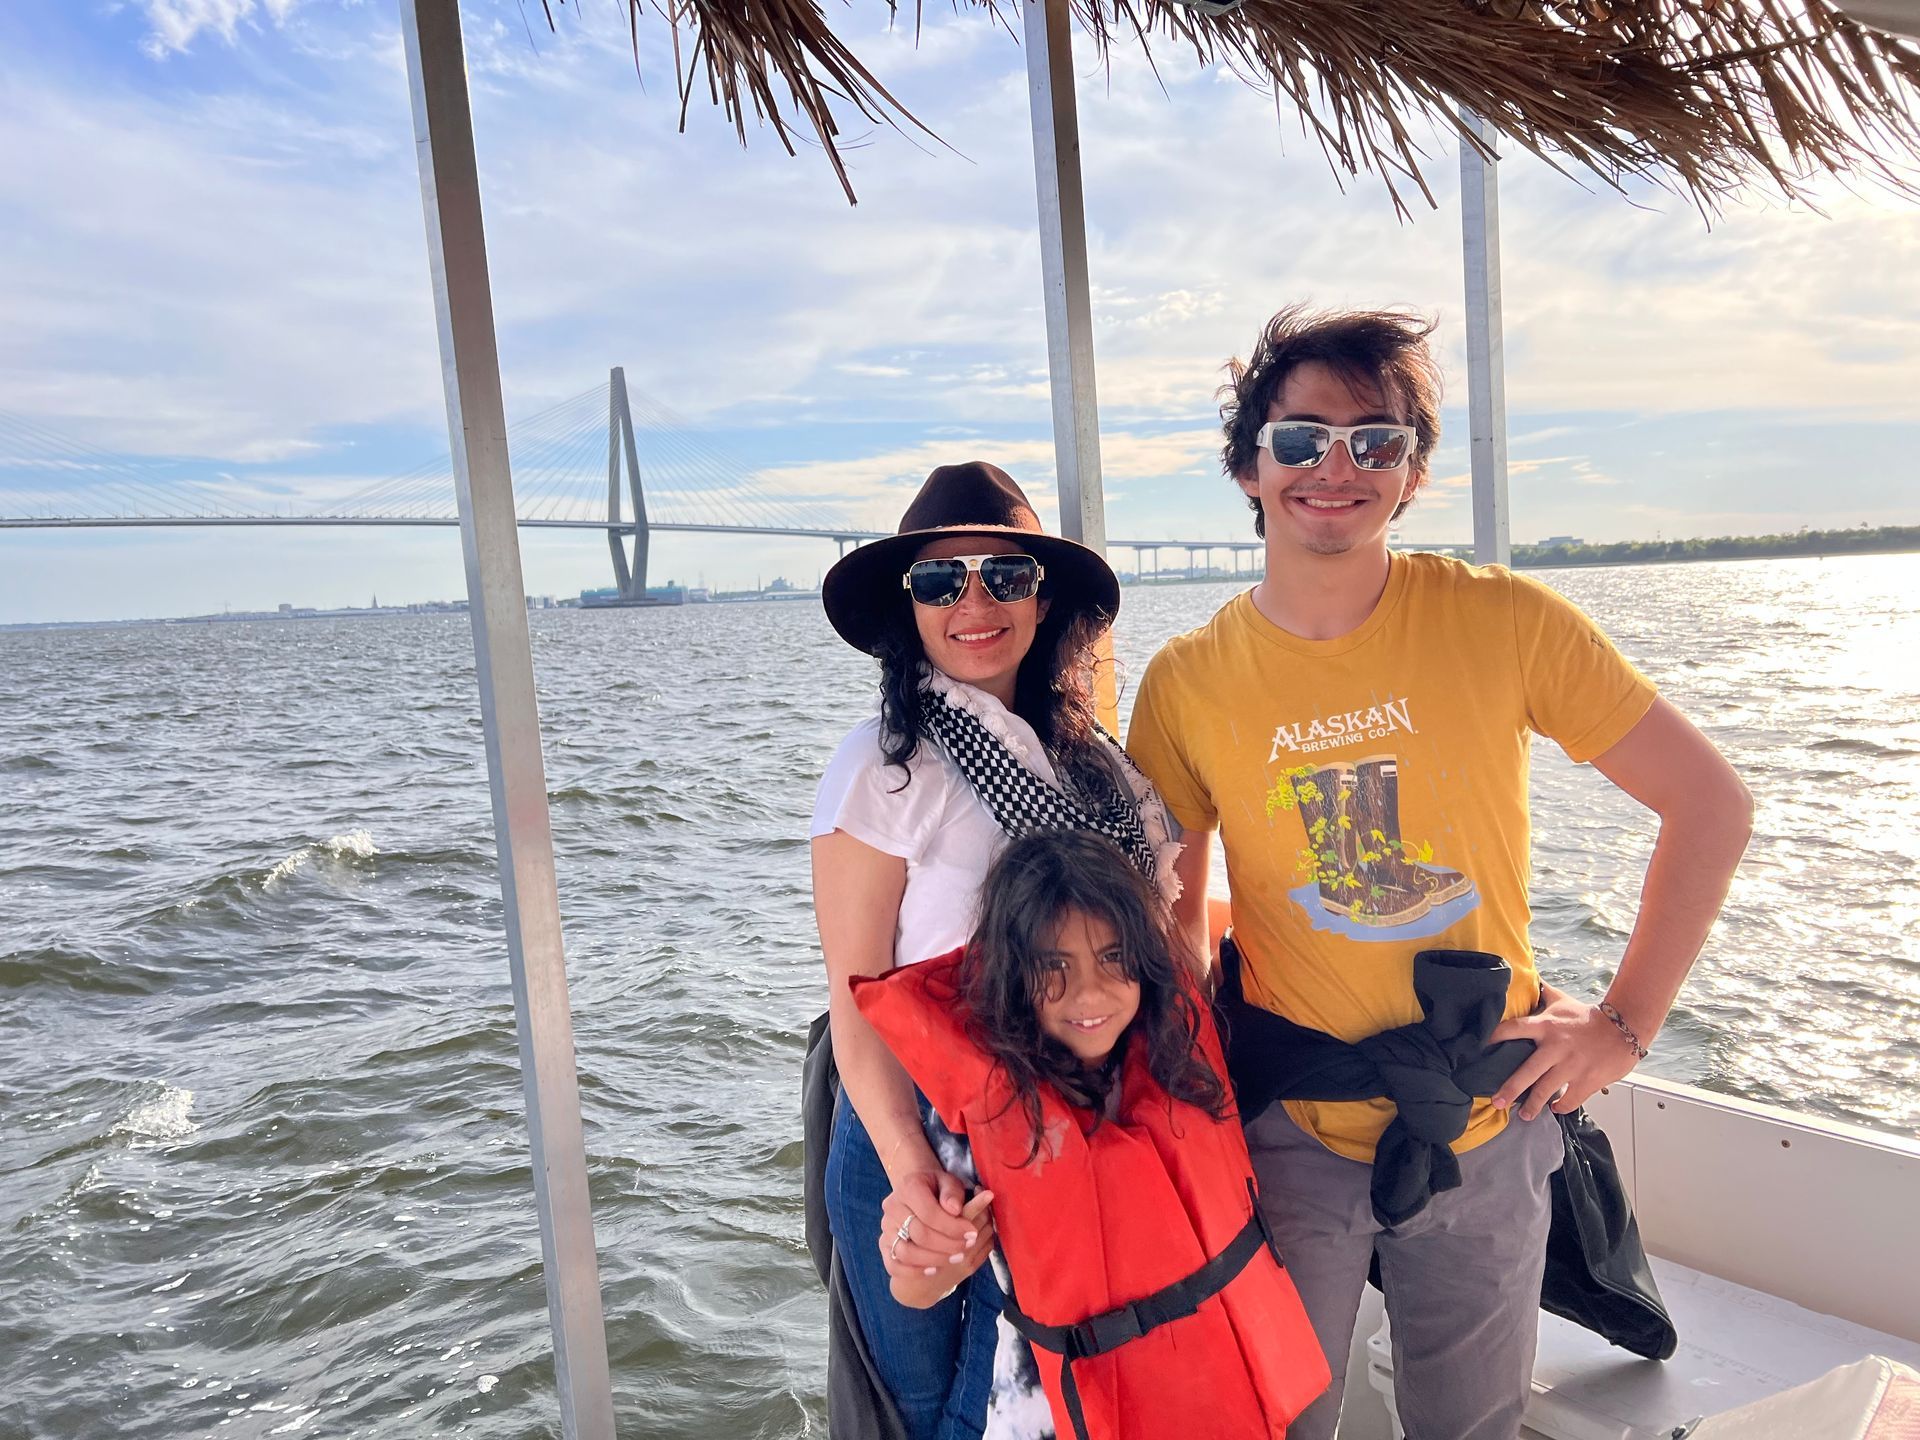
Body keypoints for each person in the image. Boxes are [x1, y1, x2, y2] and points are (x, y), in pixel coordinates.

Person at [1124, 305, 1753, 1440]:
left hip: (1489, 1117)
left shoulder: (1504, 619)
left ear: (1412, 473)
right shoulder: (1186, 680)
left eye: (1378, 441)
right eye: (1302, 438)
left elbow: (1711, 804)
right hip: (1291, 1134)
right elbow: (1171, 913)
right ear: (1249, 464)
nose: (1338, 469)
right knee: (1278, 1426)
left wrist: (1619, 1028)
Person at [809, 461, 1180, 1440]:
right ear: (909, 607)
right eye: (941, 581)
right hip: (920, 1131)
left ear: (1042, 596)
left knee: (1048, 1397)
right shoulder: (881, 771)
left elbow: (1161, 939)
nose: (974, 602)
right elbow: (856, 1006)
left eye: (1004, 576)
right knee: (935, 1418)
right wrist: (909, 1177)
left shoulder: (1095, 765)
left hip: (1069, 1130)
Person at [852, 829, 1328, 1440]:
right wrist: (925, 1255)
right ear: (1012, 976)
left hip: (1215, 1392)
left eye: (1112, 958)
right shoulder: (985, 1117)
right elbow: (915, 1288)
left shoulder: (1179, 1055)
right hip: (1057, 1411)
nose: (1091, 993)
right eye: (1055, 968)